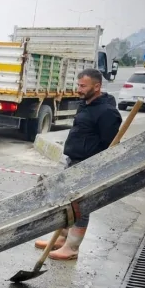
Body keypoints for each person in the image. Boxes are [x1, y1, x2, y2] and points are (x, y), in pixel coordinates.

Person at [33, 69, 122, 260]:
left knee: (81, 206)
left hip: (89, 165)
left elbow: (111, 144)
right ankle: (62, 239)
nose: (78, 89)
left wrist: (100, 166)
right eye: (78, 85)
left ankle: (72, 247)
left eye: (83, 86)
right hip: (74, 161)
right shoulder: (85, 105)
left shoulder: (107, 112)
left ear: (97, 86)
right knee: (67, 203)